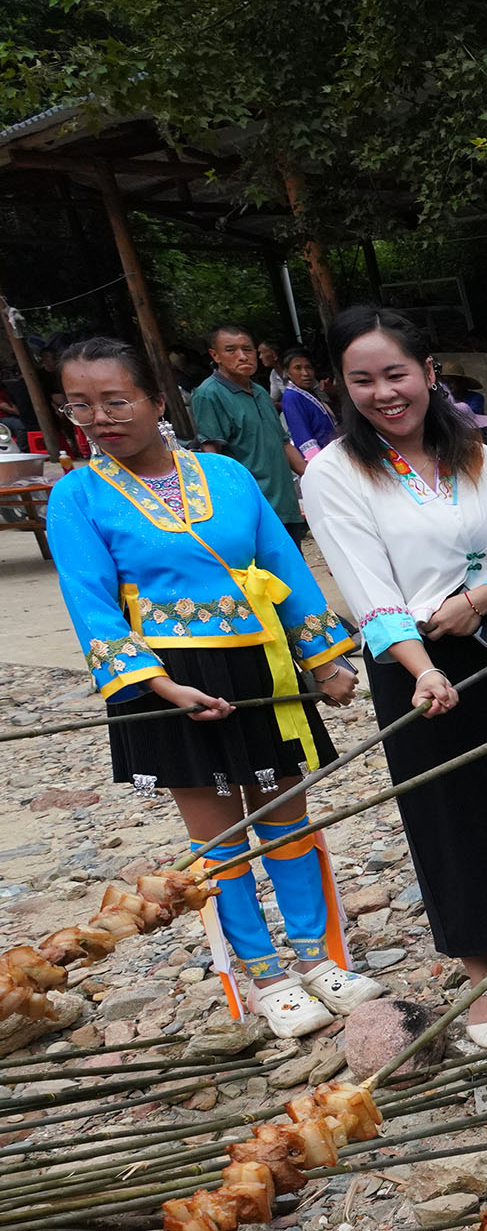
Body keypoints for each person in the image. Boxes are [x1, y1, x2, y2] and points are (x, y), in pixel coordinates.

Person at [44, 335, 383, 1038]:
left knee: (288, 816)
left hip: (259, 665)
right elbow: (91, 604)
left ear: (155, 400)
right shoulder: (76, 495)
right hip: (170, 679)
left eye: (116, 400)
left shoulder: (224, 476)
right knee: (221, 837)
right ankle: (263, 978)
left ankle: (321, 959)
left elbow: (280, 562)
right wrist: (158, 686)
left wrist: (324, 655)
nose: (100, 417)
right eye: (81, 405)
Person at [300, 306, 487, 1049]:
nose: (384, 392)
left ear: (428, 374)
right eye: (362, 379)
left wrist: (484, 598)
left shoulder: (476, 453)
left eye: (397, 374)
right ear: (342, 385)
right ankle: (480, 973)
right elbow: (367, 587)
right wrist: (424, 667)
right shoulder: (336, 471)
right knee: (448, 814)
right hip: (414, 665)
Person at [188, 324, 305, 529]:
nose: (242, 356)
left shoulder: (260, 392)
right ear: (215, 355)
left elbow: (284, 444)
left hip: (285, 504)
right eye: (231, 350)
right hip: (252, 509)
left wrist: (315, 475)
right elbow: (213, 455)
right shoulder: (209, 394)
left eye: (248, 349)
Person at [276, 348, 339, 464]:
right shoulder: (292, 397)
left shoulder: (308, 393)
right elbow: (303, 436)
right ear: (288, 373)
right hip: (321, 460)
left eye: (308, 367)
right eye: (297, 368)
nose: (305, 373)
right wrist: (317, 464)